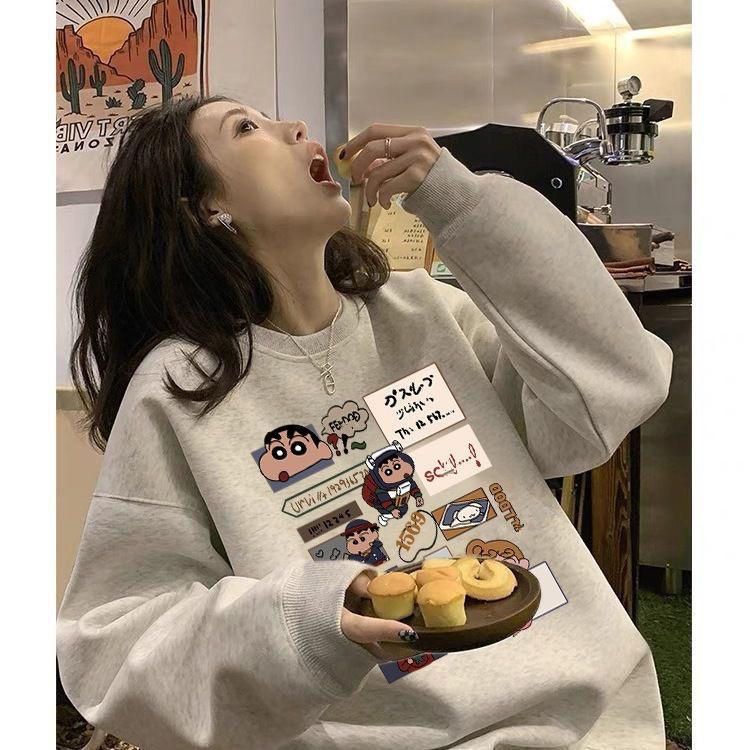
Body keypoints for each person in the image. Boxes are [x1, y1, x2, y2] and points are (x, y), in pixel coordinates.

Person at [56, 94, 673, 750]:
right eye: (247, 127)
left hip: (589, 722)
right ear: (206, 209)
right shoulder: (181, 389)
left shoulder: (426, 312)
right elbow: (112, 645)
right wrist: (302, 623)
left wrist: (460, 202)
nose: (295, 126)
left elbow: (614, 390)